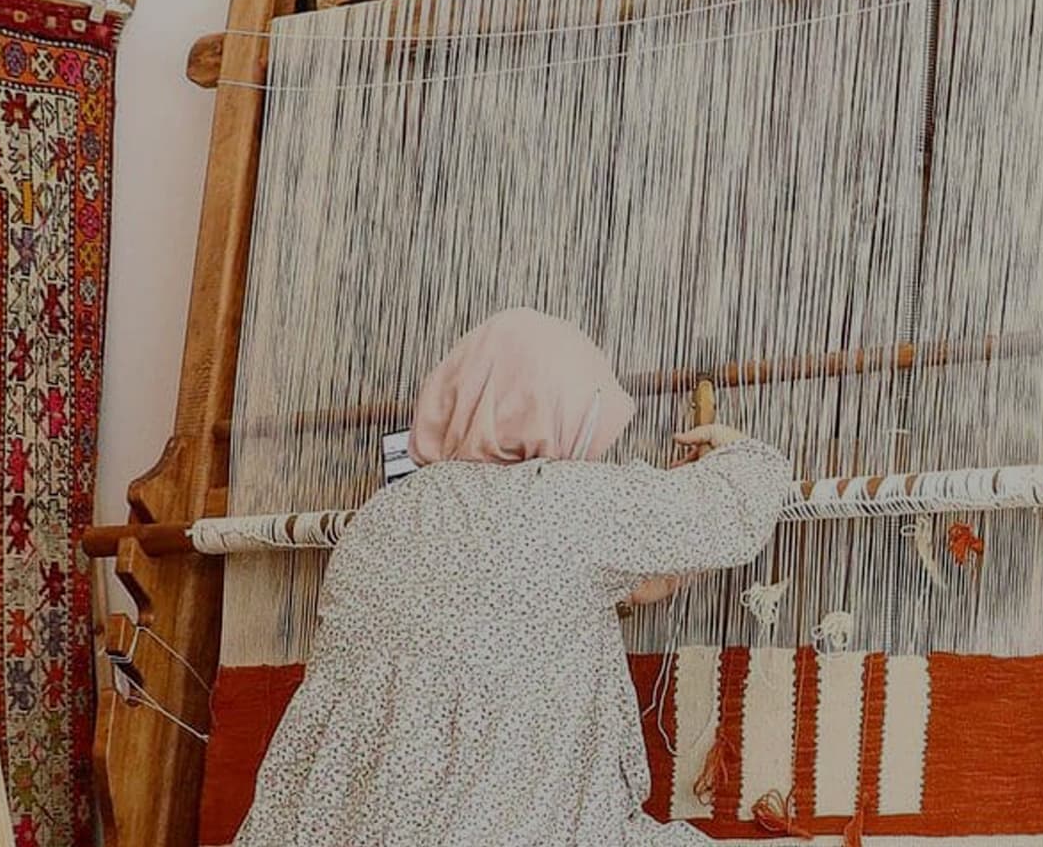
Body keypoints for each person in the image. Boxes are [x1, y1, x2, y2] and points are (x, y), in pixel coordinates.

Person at [231, 307, 792, 847]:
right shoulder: (563, 500)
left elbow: (498, 601)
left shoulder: (383, 516)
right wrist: (737, 451)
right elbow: (736, 504)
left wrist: (644, 579)